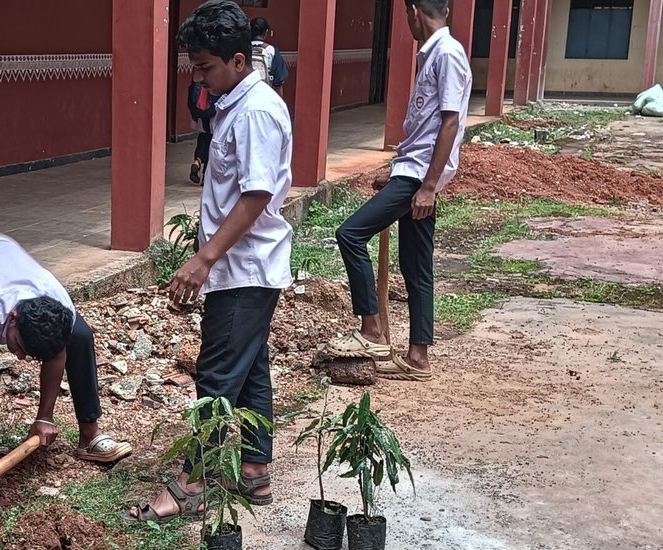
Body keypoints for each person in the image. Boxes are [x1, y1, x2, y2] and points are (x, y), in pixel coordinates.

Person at [128, 0, 292, 522]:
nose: (198, 77)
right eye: (194, 66)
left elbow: (256, 195)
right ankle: (255, 471)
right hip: (239, 267)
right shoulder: (235, 104)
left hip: (244, 268)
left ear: (239, 61)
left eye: (205, 67)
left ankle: (190, 484)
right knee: (251, 368)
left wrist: (204, 258)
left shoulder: (256, 111)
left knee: (217, 376)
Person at [0, 233, 132, 497]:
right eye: (20, 346)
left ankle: (89, 434)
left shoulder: (60, 304)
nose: (20, 357)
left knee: (80, 335)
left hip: (1, 251)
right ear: (13, 317)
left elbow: (57, 354)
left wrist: (44, 418)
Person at [323, 0, 471, 381]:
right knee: (416, 265)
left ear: (413, 11)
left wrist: (428, 186)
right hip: (413, 173)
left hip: (419, 178)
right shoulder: (435, 53)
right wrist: (397, 172)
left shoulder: (446, 54)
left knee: (350, 234)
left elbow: (450, 123)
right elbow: (426, 127)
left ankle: (371, 331)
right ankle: (418, 357)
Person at [188, 80, 220, 185]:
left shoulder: (197, 81)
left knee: (202, 137)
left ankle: (197, 161)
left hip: (200, 114)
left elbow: (190, 100)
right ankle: (205, 176)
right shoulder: (216, 79)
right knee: (210, 144)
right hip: (213, 115)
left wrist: (195, 115)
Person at [249, 17, 289, 95]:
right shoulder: (271, 51)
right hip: (265, 96)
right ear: (265, 33)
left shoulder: (242, 49)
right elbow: (279, 82)